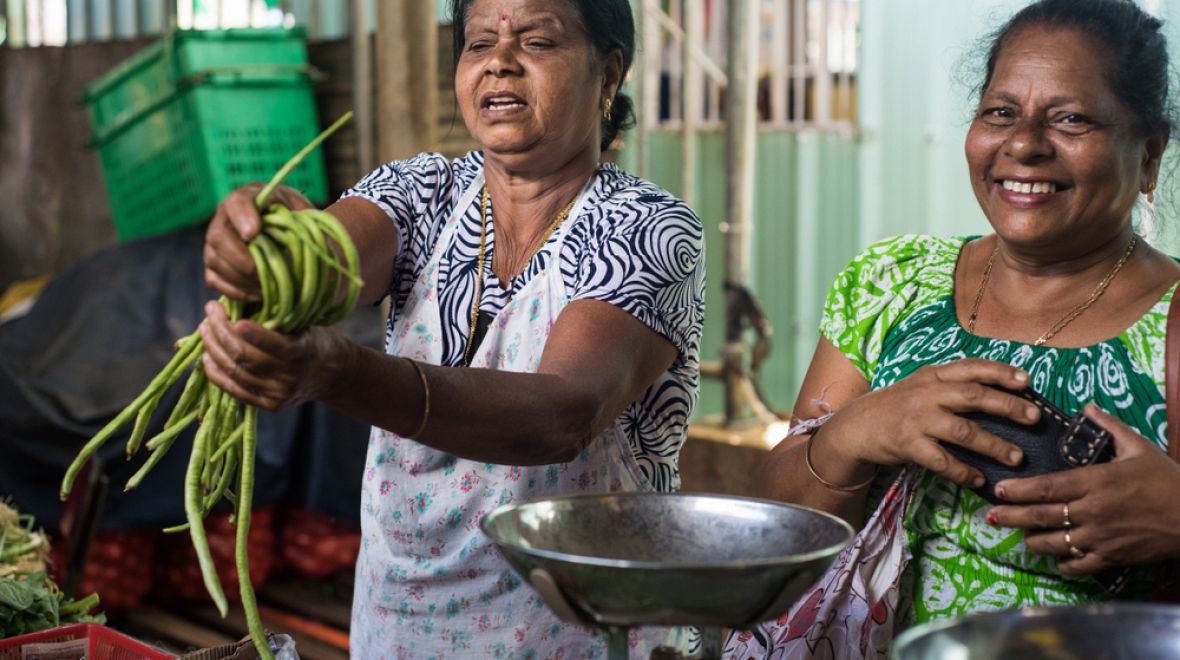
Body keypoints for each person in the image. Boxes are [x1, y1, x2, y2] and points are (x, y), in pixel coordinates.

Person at [199, 0, 705, 656]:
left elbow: (560, 417)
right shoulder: (422, 194)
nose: (499, 61)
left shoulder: (644, 227)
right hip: (401, 627)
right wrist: (268, 247)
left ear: (608, 75)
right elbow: (327, 262)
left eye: (539, 41)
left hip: (585, 634)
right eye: (477, 43)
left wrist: (338, 371)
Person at [727, 0, 1180, 657]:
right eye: (1000, 112)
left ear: (1149, 156)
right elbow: (780, 523)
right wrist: (856, 432)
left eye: (1072, 118)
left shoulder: (1170, 328)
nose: (1022, 144)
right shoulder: (894, 281)